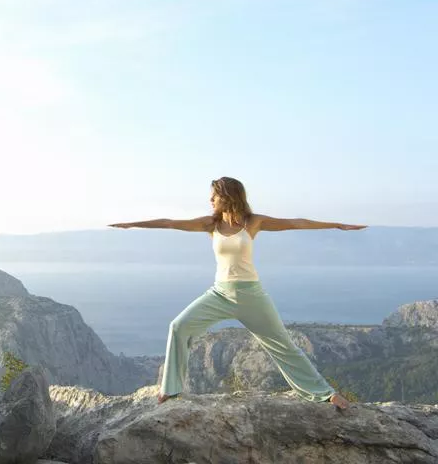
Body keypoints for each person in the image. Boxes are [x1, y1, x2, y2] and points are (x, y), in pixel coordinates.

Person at [109, 176, 366, 410]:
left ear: (229, 195)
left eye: (214, 195)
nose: (210, 200)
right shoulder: (210, 224)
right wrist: (132, 224)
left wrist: (337, 225)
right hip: (219, 294)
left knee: (284, 346)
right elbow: (169, 223)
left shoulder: (253, 222)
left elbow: (295, 222)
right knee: (179, 326)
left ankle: (324, 393)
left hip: (251, 295)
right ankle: (171, 390)